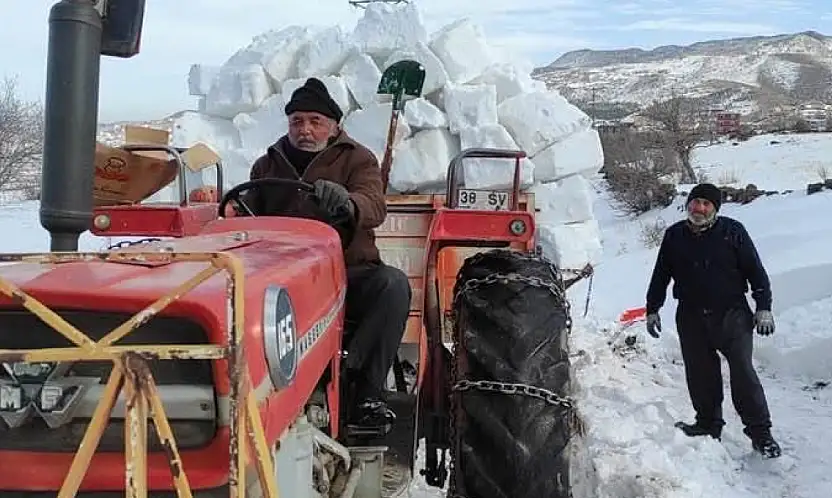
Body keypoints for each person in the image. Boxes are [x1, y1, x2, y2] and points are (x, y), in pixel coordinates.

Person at [226, 77, 412, 433]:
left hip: (345, 272)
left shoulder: (357, 159)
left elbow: (373, 203)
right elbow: (250, 214)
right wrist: (235, 210)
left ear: (334, 126)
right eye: (297, 121)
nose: (305, 130)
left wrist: (347, 203)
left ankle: (366, 391)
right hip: (280, 276)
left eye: (315, 121)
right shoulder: (268, 164)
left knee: (392, 286)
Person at [644, 183, 781, 458]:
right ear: (688, 205)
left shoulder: (733, 232)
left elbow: (756, 271)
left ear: (715, 209)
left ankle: (761, 434)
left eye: (707, 204)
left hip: (732, 314)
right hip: (691, 314)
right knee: (700, 373)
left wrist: (763, 307)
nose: (700, 208)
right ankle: (708, 424)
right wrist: (653, 308)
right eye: (696, 202)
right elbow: (661, 274)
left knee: (743, 373)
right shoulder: (674, 236)